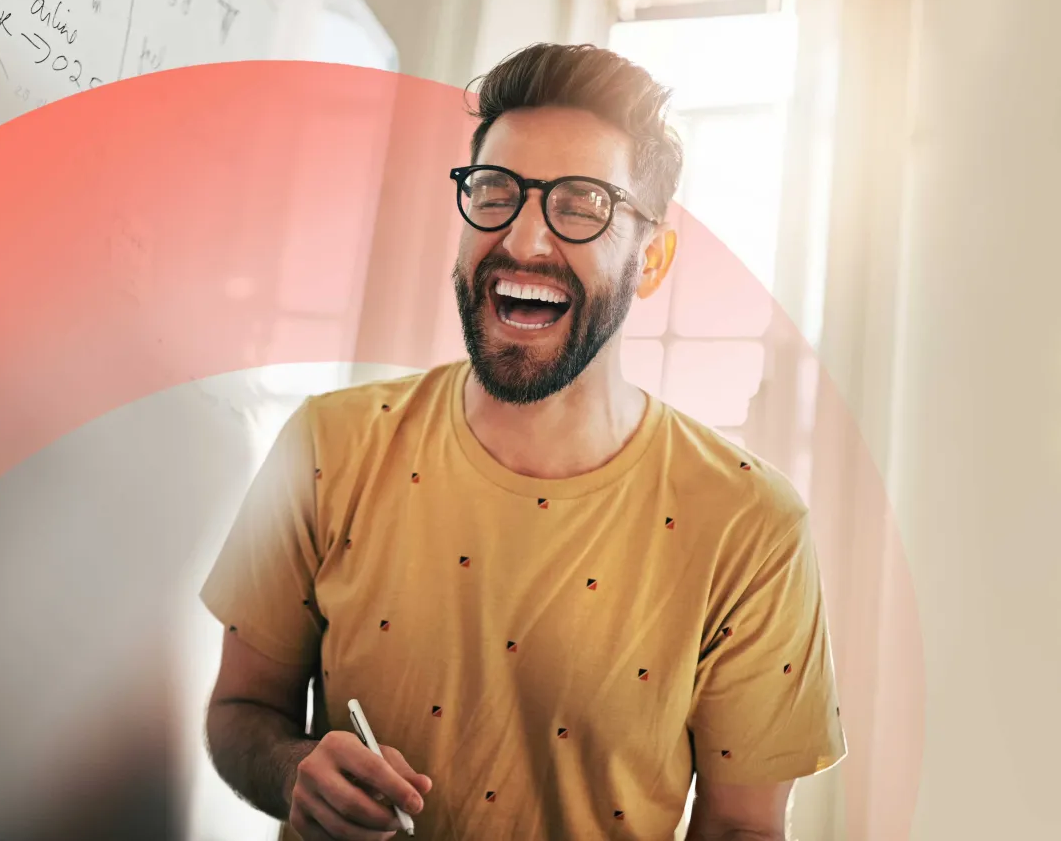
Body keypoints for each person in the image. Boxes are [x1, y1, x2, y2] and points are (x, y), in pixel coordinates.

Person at [200, 42, 846, 841]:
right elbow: (239, 715)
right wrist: (298, 772)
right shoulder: (324, 446)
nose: (525, 242)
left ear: (652, 259)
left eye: (580, 205)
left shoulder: (753, 524)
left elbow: (744, 828)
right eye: (496, 192)